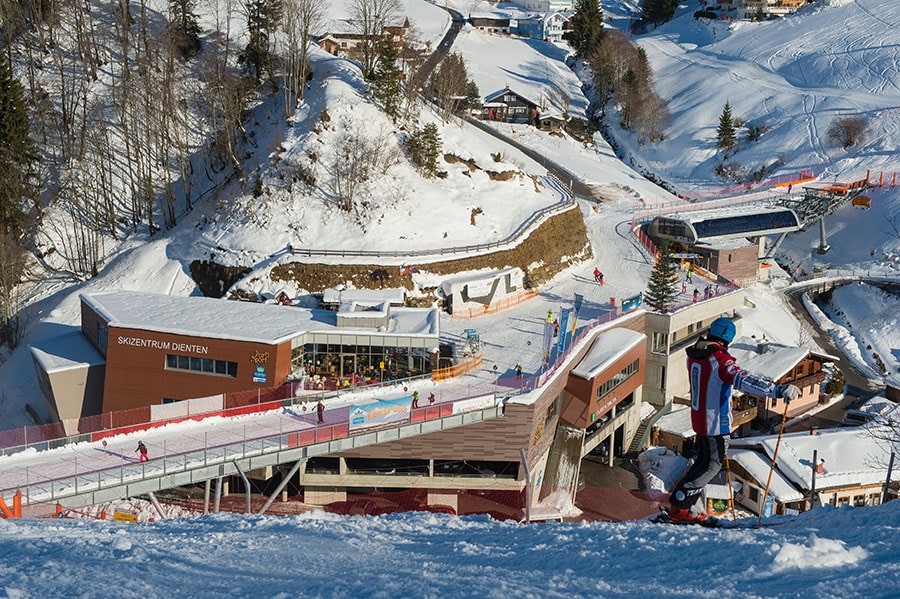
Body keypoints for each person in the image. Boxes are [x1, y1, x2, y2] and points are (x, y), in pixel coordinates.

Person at [668, 317, 800, 523]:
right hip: (716, 423)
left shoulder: (695, 355)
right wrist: (777, 390)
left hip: (700, 419)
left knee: (703, 463)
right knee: (711, 465)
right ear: (727, 339)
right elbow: (743, 379)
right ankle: (681, 504)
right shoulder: (719, 360)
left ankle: (683, 505)